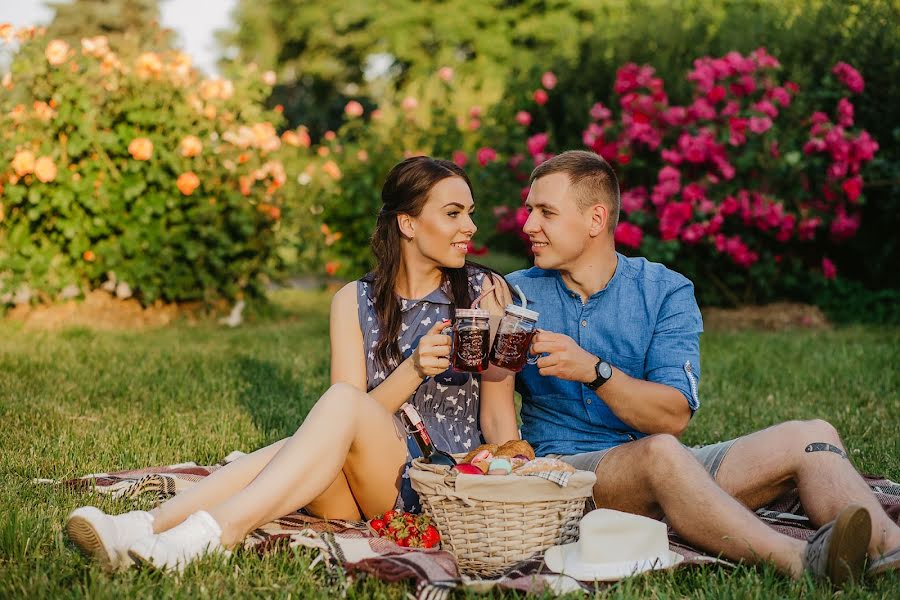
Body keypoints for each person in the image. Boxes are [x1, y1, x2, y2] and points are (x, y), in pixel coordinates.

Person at [66, 156, 518, 572]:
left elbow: (497, 415)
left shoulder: (482, 293)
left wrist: (513, 482)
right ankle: (147, 527)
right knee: (319, 424)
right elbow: (351, 414)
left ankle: (204, 534)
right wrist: (414, 369)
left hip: (429, 484)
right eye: (454, 213)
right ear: (408, 223)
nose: (471, 226)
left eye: (469, 212)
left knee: (313, 425)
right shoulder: (354, 300)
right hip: (347, 488)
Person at [506, 150, 899, 586]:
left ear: (596, 220)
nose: (528, 226)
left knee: (812, 435)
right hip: (568, 479)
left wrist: (594, 370)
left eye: (546, 212)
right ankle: (803, 561)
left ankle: (889, 550)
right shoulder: (512, 296)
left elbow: (673, 415)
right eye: (530, 211)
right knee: (660, 454)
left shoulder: (664, 291)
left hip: (669, 465)